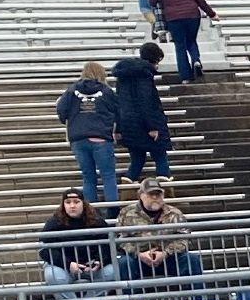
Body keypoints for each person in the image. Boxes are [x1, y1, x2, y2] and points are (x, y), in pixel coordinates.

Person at [56, 64, 120, 207]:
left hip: (78, 138)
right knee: (108, 176)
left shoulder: (71, 90)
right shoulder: (106, 91)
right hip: (101, 137)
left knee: (88, 177)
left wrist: (71, 121)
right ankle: (113, 210)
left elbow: (61, 110)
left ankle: (91, 211)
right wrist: (117, 129)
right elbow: (118, 111)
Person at [111, 41, 173, 185]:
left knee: (137, 158)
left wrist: (118, 127)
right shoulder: (144, 75)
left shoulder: (123, 76)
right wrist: (152, 126)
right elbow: (146, 102)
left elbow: (119, 103)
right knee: (160, 155)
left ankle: (128, 185)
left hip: (128, 123)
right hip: (144, 123)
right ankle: (165, 186)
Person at [151, 0, 215, 82]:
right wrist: (211, 14)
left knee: (180, 45)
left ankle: (186, 76)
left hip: (173, 17)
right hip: (192, 14)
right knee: (191, 40)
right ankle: (196, 60)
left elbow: (152, 1)